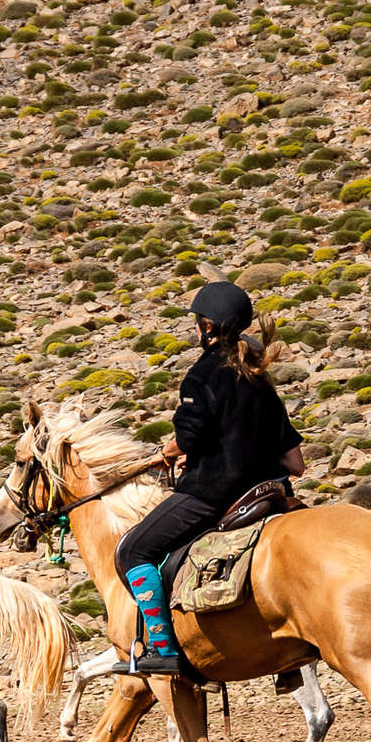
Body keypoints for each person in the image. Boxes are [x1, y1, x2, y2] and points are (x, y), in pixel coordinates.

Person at [115, 281, 305, 674]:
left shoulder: (201, 376)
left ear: (208, 327)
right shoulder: (261, 380)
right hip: (271, 491)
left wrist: (166, 454)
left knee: (134, 550)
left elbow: (186, 439)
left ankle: (164, 648)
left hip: (215, 492)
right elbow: (296, 462)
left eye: (199, 322)